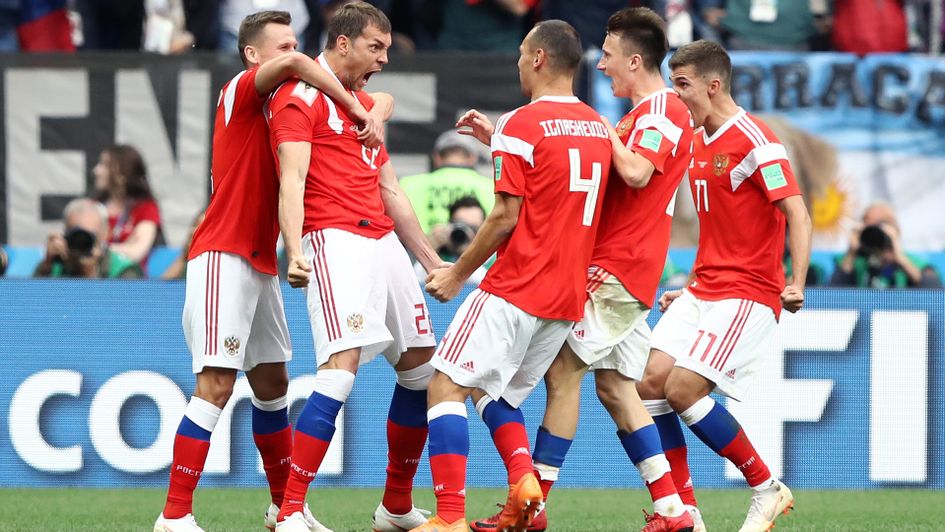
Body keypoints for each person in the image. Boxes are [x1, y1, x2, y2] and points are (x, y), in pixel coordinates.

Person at [154, 9, 389, 532]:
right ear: (253, 56)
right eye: (281, 46)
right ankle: (174, 516)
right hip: (223, 252)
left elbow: (375, 101)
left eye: (294, 43)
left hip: (259, 259)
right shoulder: (240, 90)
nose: (293, 53)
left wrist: (372, 107)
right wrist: (352, 103)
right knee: (215, 383)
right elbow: (306, 65)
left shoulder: (282, 107)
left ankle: (287, 508)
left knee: (272, 383)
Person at [467, 8, 697, 532]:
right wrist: (504, 136)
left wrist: (596, 129)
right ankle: (671, 510)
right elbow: (586, 165)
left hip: (617, 269)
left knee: (561, 373)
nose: (604, 66)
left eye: (610, 57)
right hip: (626, 268)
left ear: (635, 60)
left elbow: (636, 172)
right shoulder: (639, 115)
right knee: (616, 387)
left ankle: (532, 506)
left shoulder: (662, 110)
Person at [413, 19, 613, 532]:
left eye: (523, 53)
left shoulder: (524, 123)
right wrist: (499, 137)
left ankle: (450, 518)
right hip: (565, 296)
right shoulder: (596, 125)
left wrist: (458, 274)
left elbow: (504, 215)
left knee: (445, 386)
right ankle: (527, 488)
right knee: (492, 392)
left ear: (541, 58)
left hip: (517, 284)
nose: (519, 62)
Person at [267, 3, 444, 531]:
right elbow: (292, 180)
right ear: (342, 44)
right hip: (332, 240)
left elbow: (390, 189)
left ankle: (395, 507)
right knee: (339, 373)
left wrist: (434, 262)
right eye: (376, 47)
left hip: (383, 242)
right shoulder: (300, 99)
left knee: (422, 371)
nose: (385, 59)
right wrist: (294, 249)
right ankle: (290, 511)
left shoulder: (365, 106)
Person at [636, 39, 811, 532]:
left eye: (683, 84)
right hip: (705, 288)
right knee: (648, 385)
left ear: (713, 85)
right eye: (672, 82)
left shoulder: (756, 140)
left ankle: (765, 488)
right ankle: (686, 512)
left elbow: (796, 211)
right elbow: (721, 226)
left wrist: (795, 282)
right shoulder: (695, 140)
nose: (677, 93)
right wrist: (690, 284)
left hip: (748, 291)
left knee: (683, 389)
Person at [400, 129, 495, 235]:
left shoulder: (408, 185)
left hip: (420, 249)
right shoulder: (491, 187)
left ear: (437, 158)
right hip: (476, 250)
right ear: (472, 158)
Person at [830, 202, 942, 288]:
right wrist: (851, 253)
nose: (876, 234)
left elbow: (937, 295)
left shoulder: (915, 263)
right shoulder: (856, 263)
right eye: (870, 228)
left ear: (896, 231)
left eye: (882, 224)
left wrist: (901, 259)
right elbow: (829, 299)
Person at [92, 144, 163, 274]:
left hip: (130, 283)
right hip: (94, 281)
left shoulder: (146, 208)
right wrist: (124, 247)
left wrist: (100, 249)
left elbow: (137, 251)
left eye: (104, 165)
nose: (96, 170)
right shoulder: (92, 208)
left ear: (121, 174)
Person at [34, 198, 143, 279]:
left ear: (106, 233)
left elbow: (120, 308)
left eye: (88, 236)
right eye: (77, 235)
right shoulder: (56, 266)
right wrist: (46, 266)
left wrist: (89, 273)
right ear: (66, 235)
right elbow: (30, 305)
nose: (82, 241)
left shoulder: (123, 269)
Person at [420, 196, 492, 284]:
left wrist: (469, 257)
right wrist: (428, 252)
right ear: (450, 225)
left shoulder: (493, 259)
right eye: (460, 225)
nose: (464, 233)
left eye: (473, 228)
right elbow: (417, 284)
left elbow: (484, 284)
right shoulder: (440, 253)